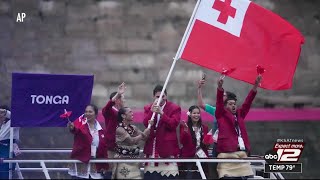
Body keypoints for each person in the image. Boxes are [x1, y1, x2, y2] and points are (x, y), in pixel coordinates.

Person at [215, 75, 262, 179]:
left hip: (241, 155)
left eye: (234, 104)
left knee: (248, 177)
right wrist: (219, 88)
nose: (233, 106)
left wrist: (255, 87)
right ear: (225, 106)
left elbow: (248, 102)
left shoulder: (240, 114)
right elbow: (219, 102)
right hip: (227, 156)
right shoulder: (221, 115)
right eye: (230, 104)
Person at [143, 85, 181, 179]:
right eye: (158, 97)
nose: (161, 99)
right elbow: (145, 123)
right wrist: (152, 112)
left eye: (162, 96)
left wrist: (162, 113)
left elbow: (173, 124)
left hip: (167, 148)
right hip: (153, 147)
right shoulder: (148, 108)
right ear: (153, 97)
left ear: (166, 96)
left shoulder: (174, 108)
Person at [67, 104, 109, 179]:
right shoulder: (80, 125)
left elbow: (103, 148)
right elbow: (75, 130)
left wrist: (104, 165)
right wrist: (72, 128)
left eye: (90, 112)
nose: (87, 114)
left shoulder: (101, 130)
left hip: (95, 166)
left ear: (95, 114)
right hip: (81, 165)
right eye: (86, 112)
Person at [112, 107, 153, 179]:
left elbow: (145, 138)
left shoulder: (133, 128)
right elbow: (131, 141)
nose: (132, 113)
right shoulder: (119, 129)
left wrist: (149, 127)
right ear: (123, 116)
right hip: (123, 162)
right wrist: (143, 134)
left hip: (135, 163)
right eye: (130, 112)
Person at [179, 105, 209, 179]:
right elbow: (182, 141)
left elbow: (206, 144)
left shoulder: (204, 127)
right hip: (189, 157)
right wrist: (186, 131)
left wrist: (207, 142)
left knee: (201, 176)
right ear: (190, 114)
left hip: (201, 157)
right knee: (189, 177)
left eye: (198, 113)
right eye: (194, 113)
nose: (196, 115)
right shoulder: (184, 126)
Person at [102, 82, 126, 163]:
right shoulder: (110, 111)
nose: (124, 100)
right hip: (111, 147)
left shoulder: (124, 112)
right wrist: (118, 94)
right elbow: (107, 108)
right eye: (122, 98)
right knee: (110, 170)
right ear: (117, 100)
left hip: (123, 146)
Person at [0, 105, 20, 179]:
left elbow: (17, 117)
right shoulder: (2, 125)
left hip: (8, 149)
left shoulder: (13, 123)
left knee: (5, 173)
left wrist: (5, 112)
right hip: (2, 149)